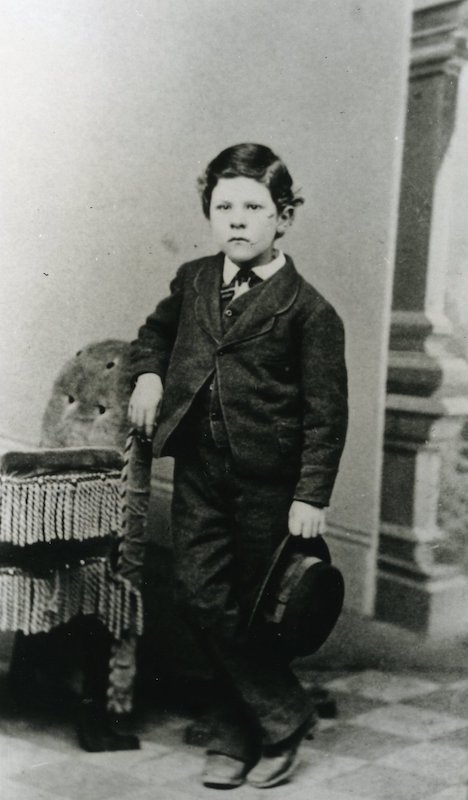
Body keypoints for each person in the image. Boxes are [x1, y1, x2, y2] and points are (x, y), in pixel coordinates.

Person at [128, 142, 348, 789]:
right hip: (200, 469)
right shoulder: (195, 279)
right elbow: (157, 335)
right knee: (199, 595)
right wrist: (147, 375)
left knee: (253, 611)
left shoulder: (310, 311)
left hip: (271, 488)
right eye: (223, 206)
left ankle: (234, 729)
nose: (237, 220)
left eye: (254, 207)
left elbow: (326, 415)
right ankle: (283, 714)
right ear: (209, 213)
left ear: (283, 218)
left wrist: (310, 494)